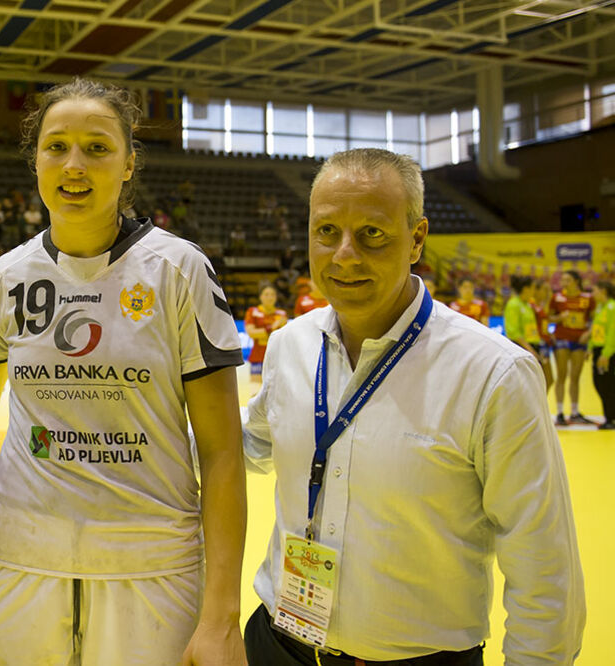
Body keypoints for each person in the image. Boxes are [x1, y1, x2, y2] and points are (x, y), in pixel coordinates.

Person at [0, 78, 248, 665]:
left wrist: (223, 616)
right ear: (35, 160)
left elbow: (223, 450)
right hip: (21, 558)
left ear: (129, 163)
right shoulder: (4, 278)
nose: (73, 164)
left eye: (97, 147)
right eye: (56, 146)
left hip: (152, 565)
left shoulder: (180, 272)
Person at [243, 148, 584, 665]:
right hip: (278, 645)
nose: (345, 255)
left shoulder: (493, 374)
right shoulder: (291, 346)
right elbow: (246, 444)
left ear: (417, 239)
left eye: (372, 233)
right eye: (327, 232)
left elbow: (544, 566)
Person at [550, 270, 595, 426]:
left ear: (576, 281)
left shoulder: (587, 298)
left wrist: (588, 333)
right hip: (562, 338)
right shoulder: (557, 297)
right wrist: (559, 318)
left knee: (575, 376)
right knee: (562, 375)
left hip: (579, 339)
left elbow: (595, 319)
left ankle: (575, 412)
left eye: (567, 280)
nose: (564, 283)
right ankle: (560, 412)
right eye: (562, 280)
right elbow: (549, 317)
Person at [244, 283, 287, 385]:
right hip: (257, 357)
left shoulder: (281, 314)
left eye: (273, 294)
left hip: (277, 358)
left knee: (277, 391)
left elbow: (281, 337)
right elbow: (251, 333)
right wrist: (272, 327)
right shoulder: (253, 311)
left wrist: (262, 334)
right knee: (255, 390)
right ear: (260, 297)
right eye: (266, 294)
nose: (270, 297)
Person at [588, 280, 615, 430]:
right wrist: (590, 347)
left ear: (603, 290)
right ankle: (609, 415)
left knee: (607, 383)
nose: (593, 294)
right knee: (600, 383)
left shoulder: (612, 307)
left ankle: (610, 418)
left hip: (608, 351)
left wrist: (606, 354)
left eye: (595, 290)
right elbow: (597, 330)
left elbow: (612, 332)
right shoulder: (600, 308)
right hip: (598, 350)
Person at [503, 275, 542, 358]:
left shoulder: (528, 304)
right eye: (533, 288)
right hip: (521, 348)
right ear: (525, 289)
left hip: (533, 345)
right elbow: (513, 332)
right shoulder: (513, 304)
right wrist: (529, 349)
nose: (534, 291)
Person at [532, 278, 555, 390]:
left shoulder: (540, 306)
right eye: (544, 290)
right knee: (546, 378)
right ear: (536, 290)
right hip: (539, 343)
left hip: (544, 343)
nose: (547, 293)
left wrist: (549, 335)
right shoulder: (531, 305)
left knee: (548, 379)